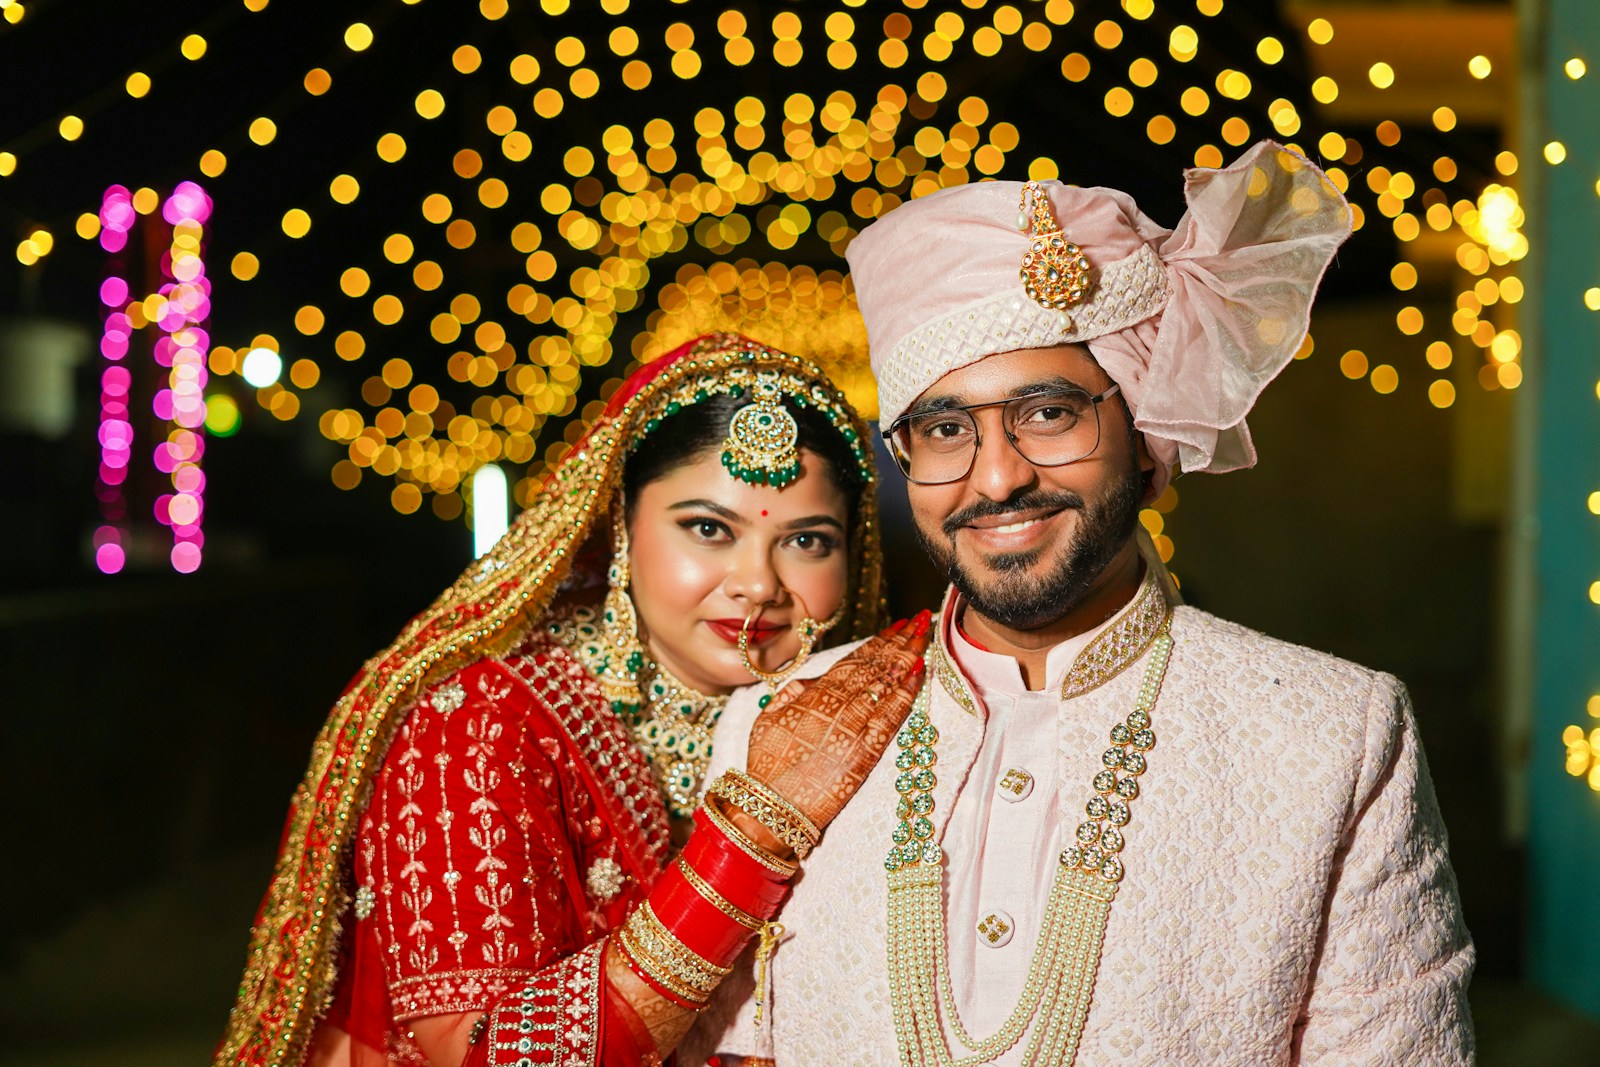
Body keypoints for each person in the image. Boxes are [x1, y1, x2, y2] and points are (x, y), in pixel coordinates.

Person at [688, 142, 1475, 1065]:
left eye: (1049, 413)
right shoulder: (776, 724)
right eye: (945, 429)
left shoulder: (1334, 737)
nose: (996, 475)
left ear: (1145, 435)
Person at [215, 333, 930, 1067]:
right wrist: (754, 833)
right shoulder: (478, 725)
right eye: (709, 528)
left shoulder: (865, 714)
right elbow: (490, 1056)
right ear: (620, 523)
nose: (758, 583)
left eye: (808, 540)